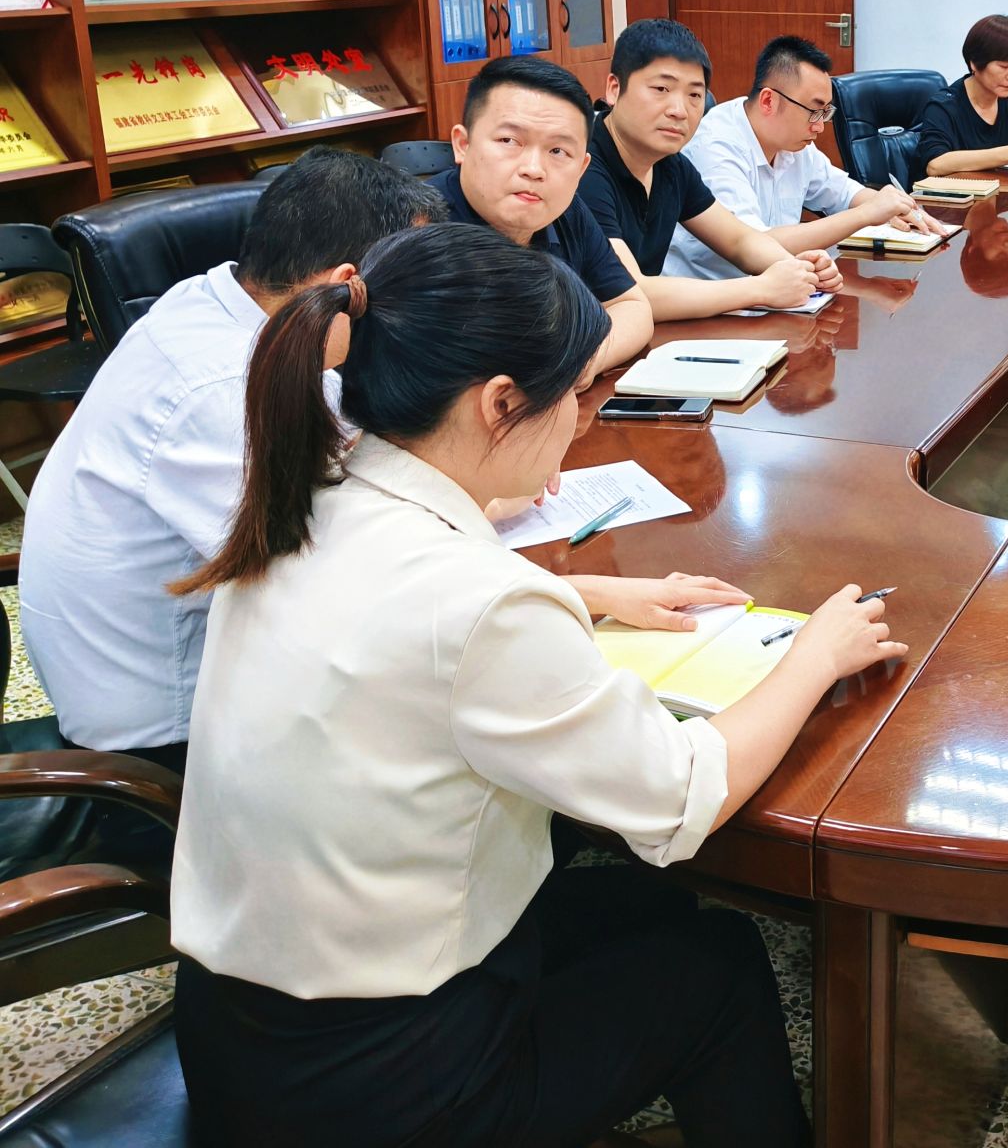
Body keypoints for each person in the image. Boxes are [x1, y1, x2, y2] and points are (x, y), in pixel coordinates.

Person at [168, 221, 907, 1146]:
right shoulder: (483, 603)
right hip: (377, 1084)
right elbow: (681, 797)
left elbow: (407, 624)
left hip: (239, 1026)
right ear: (500, 402)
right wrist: (814, 656)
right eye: (578, 391)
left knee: (645, 908)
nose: (583, 415)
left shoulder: (304, 497)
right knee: (712, 967)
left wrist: (589, 592)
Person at [17, 149, 443, 796]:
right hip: (165, 742)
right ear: (344, 282)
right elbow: (338, 578)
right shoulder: (220, 387)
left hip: (204, 654)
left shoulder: (215, 298)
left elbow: (345, 444)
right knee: (444, 716)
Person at [577, 18, 842, 320]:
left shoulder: (671, 165)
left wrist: (798, 269)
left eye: (694, 95)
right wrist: (761, 288)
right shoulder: (582, 166)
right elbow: (629, 292)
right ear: (614, 89)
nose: (679, 111)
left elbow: (739, 240)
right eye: (661, 88)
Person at [431, 54, 653, 377]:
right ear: (462, 144)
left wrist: (583, 364)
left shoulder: (565, 211)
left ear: (581, 169)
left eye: (557, 151)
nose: (534, 169)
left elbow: (632, 307)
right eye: (509, 141)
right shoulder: (419, 224)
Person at [667, 35, 942, 280]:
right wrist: (867, 214)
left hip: (780, 290)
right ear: (768, 101)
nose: (819, 126)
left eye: (825, 113)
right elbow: (755, 245)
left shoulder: (793, 143)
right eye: (814, 111)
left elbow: (844, 192)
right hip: (712, 299)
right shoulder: (716, 146)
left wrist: (894, 207)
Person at [912, 14, 1008, 177]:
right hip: (953, 193)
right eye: (1004, 66)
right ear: (974, 63)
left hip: (1007, 191)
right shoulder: (944, 105)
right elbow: (935, 165)